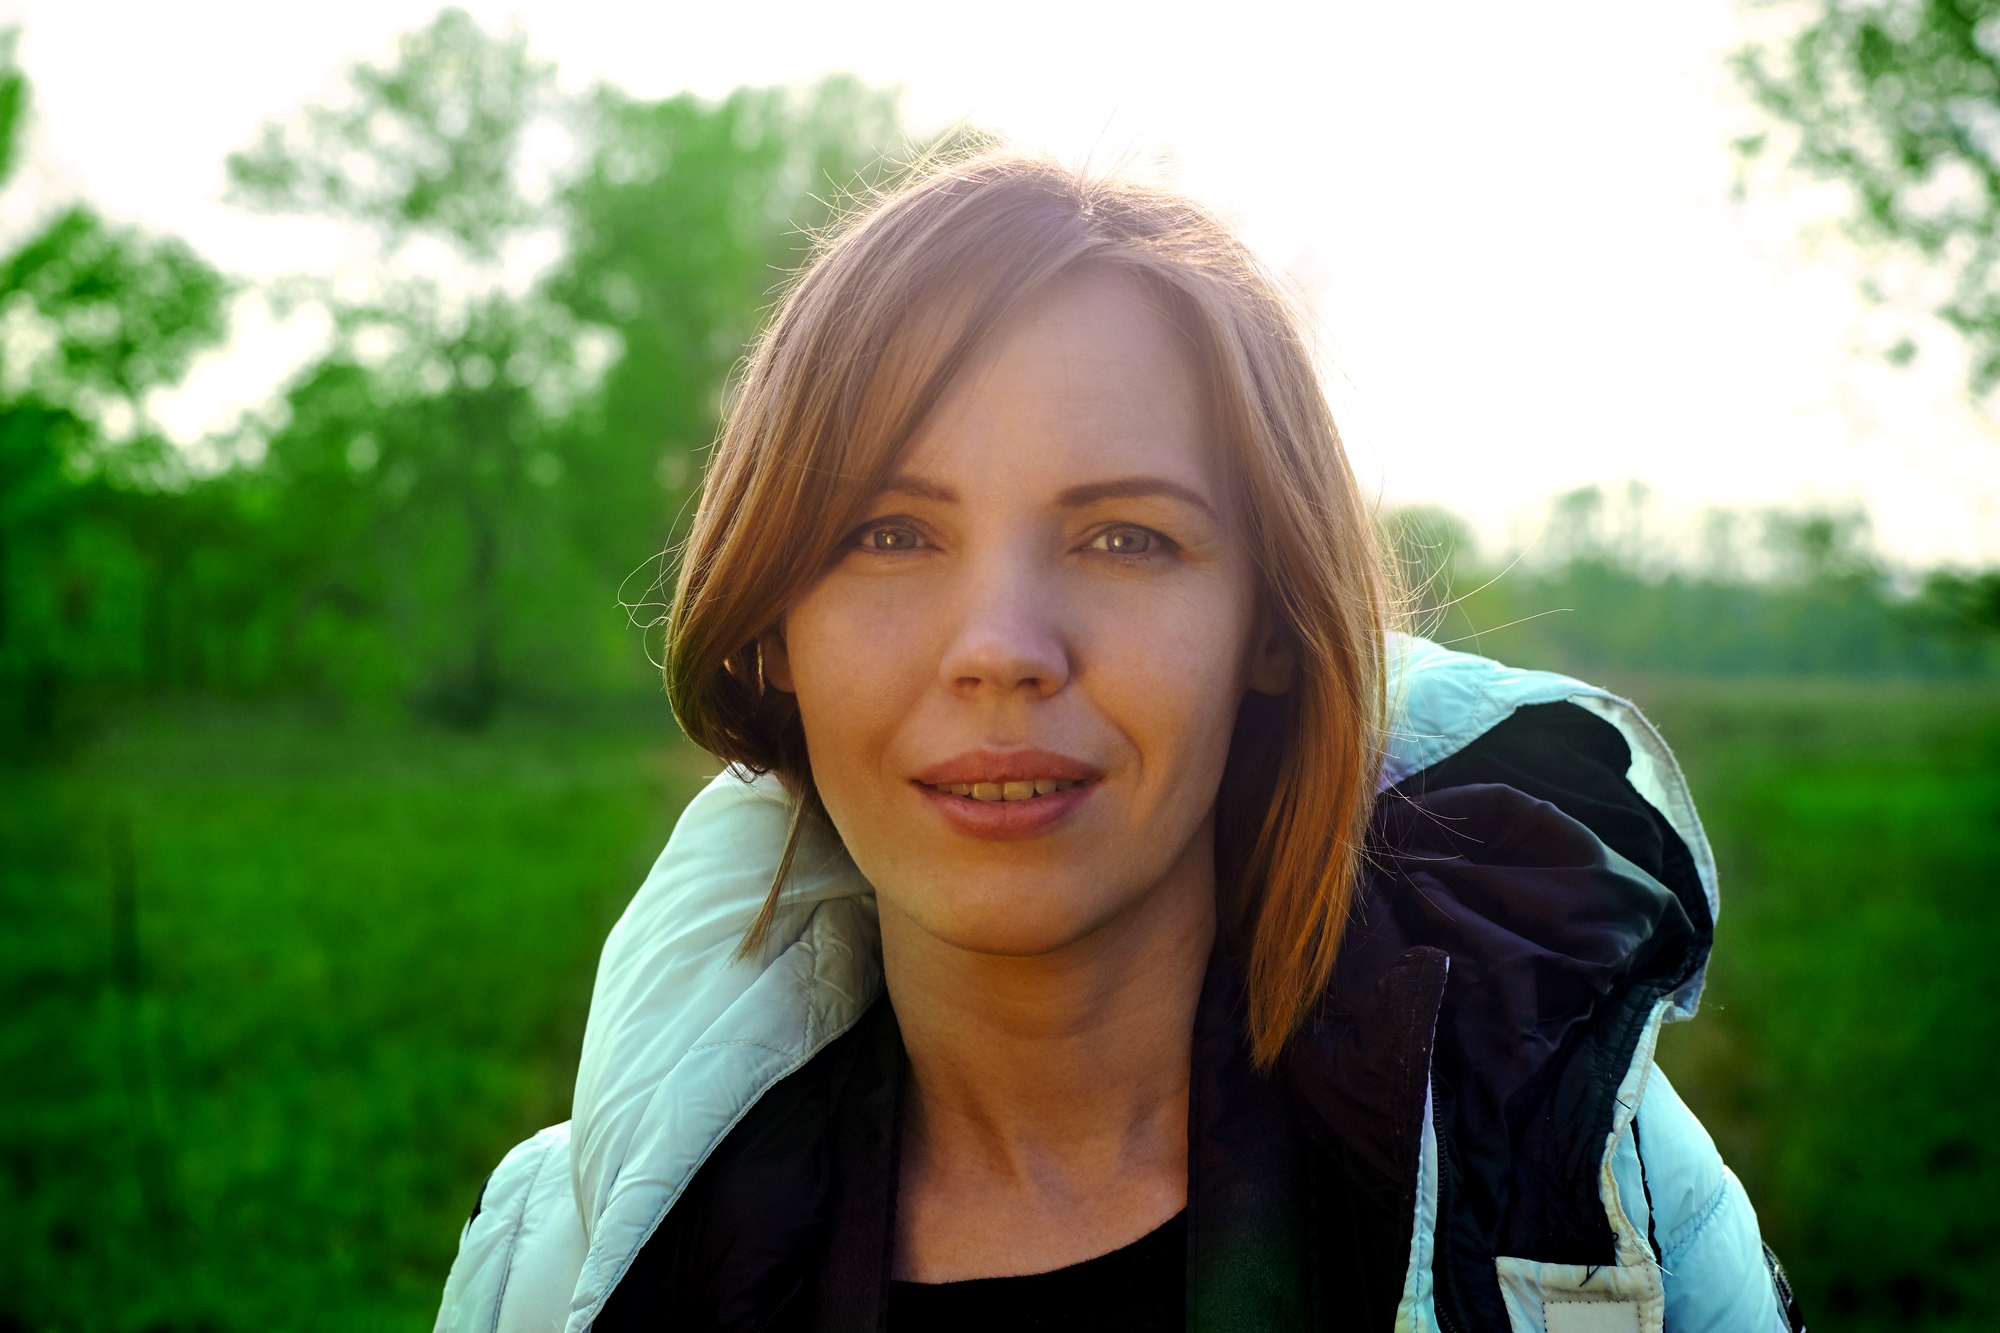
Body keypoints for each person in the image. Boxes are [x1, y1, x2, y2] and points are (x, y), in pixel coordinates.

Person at [435, 153, 1805, 1333]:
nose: (1001, 645)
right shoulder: (551, 1264)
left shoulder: (1599, 1209)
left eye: (1124, 536)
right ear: (774, 624)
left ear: (1271, 620)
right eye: (890, 532)